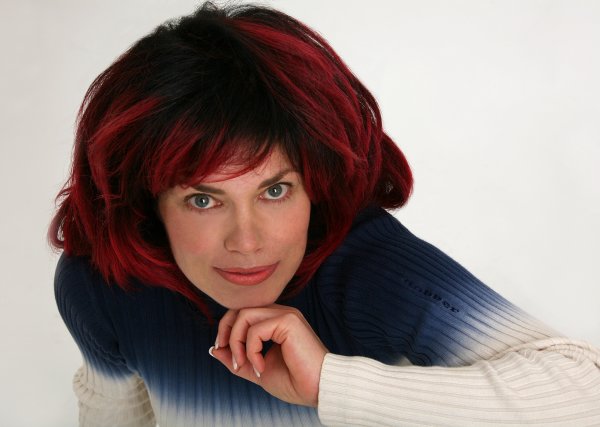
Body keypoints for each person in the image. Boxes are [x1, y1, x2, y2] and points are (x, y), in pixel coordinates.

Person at [50, 2, 600, 426]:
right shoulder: (103, 287)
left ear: (316, 183)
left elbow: (585, 392)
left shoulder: (368, 267)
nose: (247, 241)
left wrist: (330, 384)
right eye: (203, 200)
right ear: (147, 202)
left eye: (275, 191)